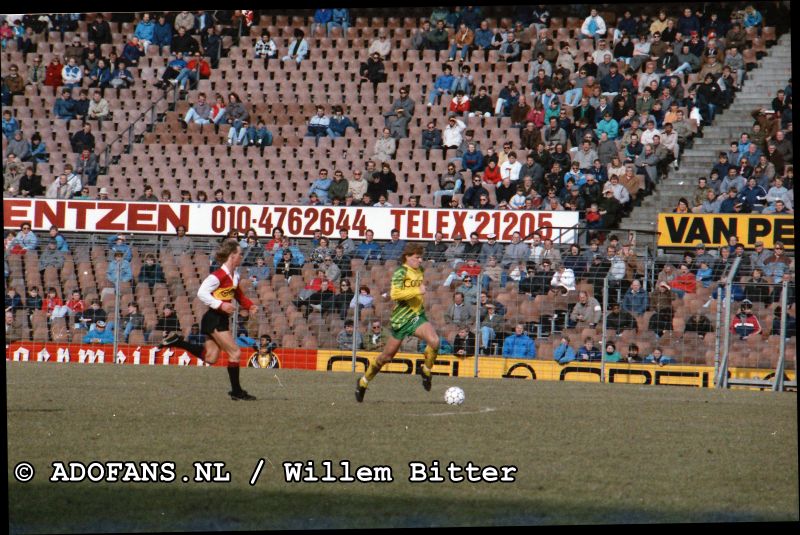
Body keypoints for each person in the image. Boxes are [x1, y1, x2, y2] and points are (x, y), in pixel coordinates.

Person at [159, 239, 259, 401]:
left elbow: (238, 295)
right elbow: (202, 293)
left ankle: (177, 342)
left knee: (211, 358)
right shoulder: (218, 275)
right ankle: (236, 392)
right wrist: (220, 305)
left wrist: (250, 306)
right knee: (235, 352)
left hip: (219, 319)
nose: (241, 256)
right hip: (214, 318)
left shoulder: (235, 275)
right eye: (240, 254)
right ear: (232, 255)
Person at [356, 243, 441, 402]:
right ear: (407, 257)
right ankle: (363, 381)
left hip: (417, 316)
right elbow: (395, 294)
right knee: (386, 358)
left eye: (421, 257)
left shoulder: (420, 271)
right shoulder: (400, 272)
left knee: (435, 341)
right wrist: (417, 291)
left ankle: (426, 371)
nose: (420, 260)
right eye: (417, 257)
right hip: (401, 321)